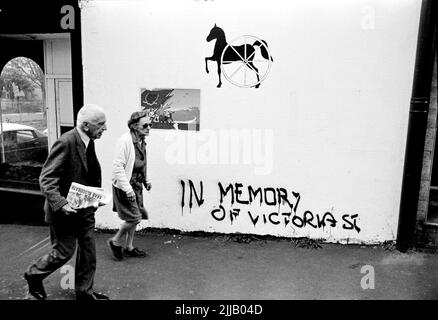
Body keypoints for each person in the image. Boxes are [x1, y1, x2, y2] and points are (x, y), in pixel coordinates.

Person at [23, 104, 109, 301]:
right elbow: (46, 179)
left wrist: (96, 197)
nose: (105, 128)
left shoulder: (89, 140)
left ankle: (85, 293)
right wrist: (61, 204)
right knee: (63, 253)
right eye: (101, 124)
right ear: (86, 125)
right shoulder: (66, 142)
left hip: (84, 209)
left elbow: (85, 173)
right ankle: (34, 274)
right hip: (64, 211)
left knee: (88, 252)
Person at [107, 111, 152, 261]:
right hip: (126, 185)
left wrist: (146, 179)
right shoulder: (125, 141)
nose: (148, 128)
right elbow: (118, 167)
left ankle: (129, 247)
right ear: (134, 126)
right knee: (135, 217)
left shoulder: (142, 141)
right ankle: (115, 241)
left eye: (150, 125)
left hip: (136, 184)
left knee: (135, 217)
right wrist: (127, 189)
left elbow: (143, 162)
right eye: (145, 125)